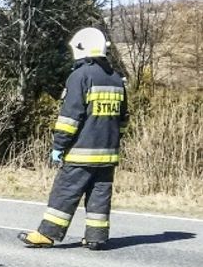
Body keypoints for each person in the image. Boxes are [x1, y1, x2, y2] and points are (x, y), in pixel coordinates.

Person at [19, 27, 127, 251]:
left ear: (82, 48)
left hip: (80, 153)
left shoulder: (80, 76)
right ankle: (96, 238)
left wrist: (59, 145)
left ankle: (47, 235)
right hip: (108, 154)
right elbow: (123, 118)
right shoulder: (116, 79)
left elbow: (70, 117)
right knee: (99, 195)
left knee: (65, 192)